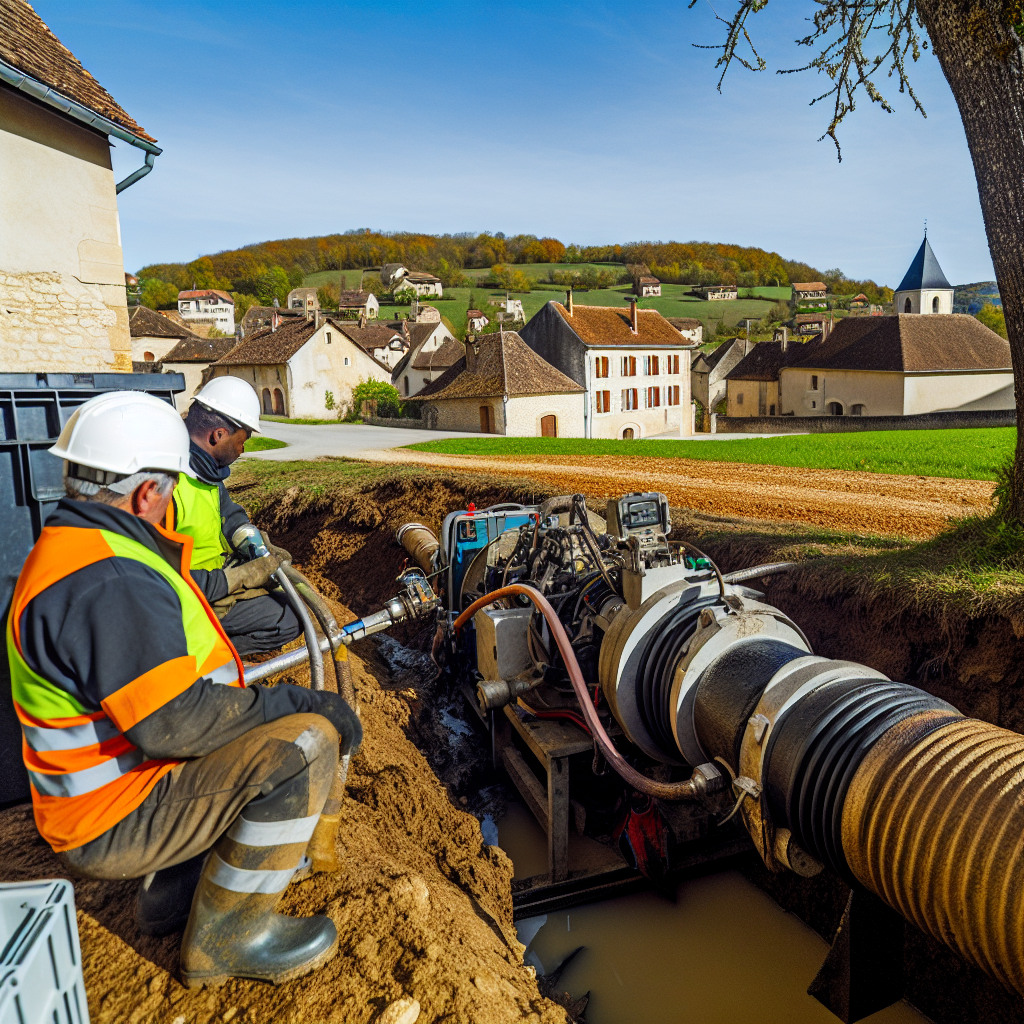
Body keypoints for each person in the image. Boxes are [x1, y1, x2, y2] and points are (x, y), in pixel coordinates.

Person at [7, 391, 360, 987]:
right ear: (147, 493)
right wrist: (302, 701)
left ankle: (172, 894)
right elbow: (175, 723)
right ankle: (230, 940)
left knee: (257, 737)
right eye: (170, 487)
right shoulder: (109, 579)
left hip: (115, 791)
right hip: (112, 818)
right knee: (302, 745)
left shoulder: (77, 548)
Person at [168, 376, 300, 656]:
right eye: (242, 441)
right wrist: (236, 578)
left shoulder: (204, 472)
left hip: (211, 581)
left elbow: (228, 513)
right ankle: (199, 658)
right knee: (290, 620)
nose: (243, 450)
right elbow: (164, 581)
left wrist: (251, 542)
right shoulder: (167, 489)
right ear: (218, 435)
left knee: (291, 599)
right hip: (186, 599)